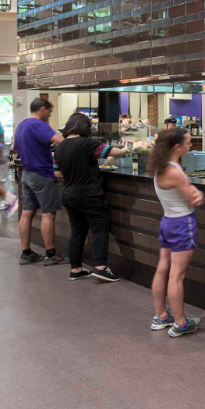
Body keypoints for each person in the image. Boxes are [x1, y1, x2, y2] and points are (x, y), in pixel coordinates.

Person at [55, 112, 125, 283]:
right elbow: (114, 151)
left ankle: (76, 269)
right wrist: (126, 150)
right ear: (86, 127)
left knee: (77, 231)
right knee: (99, 229)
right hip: (90, 194)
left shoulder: (60, 147)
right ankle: (101, 268)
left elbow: (56, 171)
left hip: (69, 194)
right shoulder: (88, 143)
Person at [148, 127, 204, 337]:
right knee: (177, 275)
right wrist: (197, 192)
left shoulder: (161, 168)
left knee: (163, 269)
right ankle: (181, 323)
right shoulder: (174, 172)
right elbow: (195, 199)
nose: (191, 145)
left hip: (168, 221)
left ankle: (161, 315)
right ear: (177, 147)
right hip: (182, 224)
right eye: (188, 142)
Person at [12, 99, 65, 265]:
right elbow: (60, 141)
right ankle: (50, 254)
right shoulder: (39, 124)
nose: (49, 115)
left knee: (27, 213)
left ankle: (26, 253)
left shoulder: (21, 125)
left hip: (26, 174)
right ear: (42, 109)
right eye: (49, 112)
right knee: (48, 213)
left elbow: (17, 147)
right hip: (42, 174)